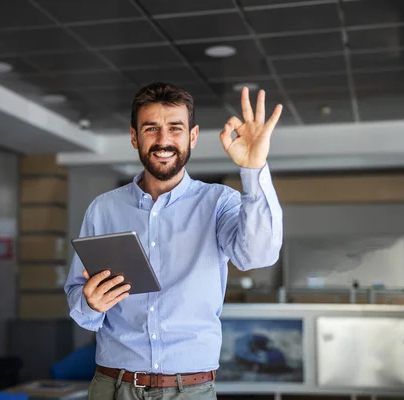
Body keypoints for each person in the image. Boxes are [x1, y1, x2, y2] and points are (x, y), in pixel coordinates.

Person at [64, 82, 283, 400]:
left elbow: (258, 255)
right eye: (151, 128)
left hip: (190, 391)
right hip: (113, 387)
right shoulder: (103, 208)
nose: (163, 140)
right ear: (134, 136)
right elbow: (79, 301)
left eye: (175, 128)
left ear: (192, 136)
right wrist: (91, 303)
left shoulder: (219, 202)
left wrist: (253, 169)